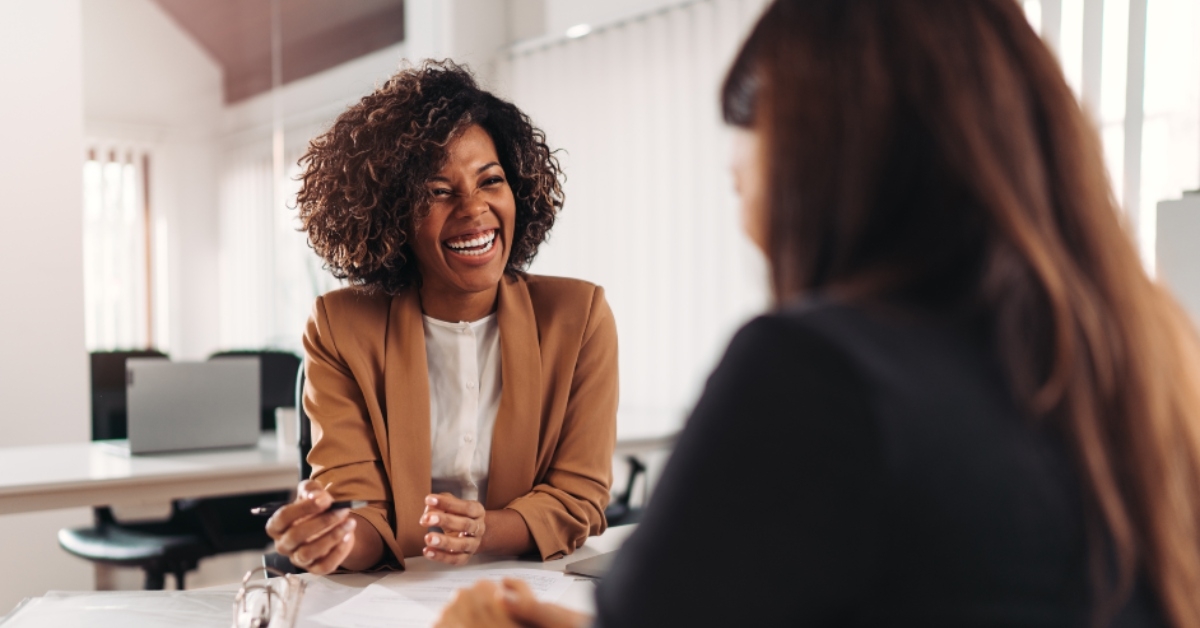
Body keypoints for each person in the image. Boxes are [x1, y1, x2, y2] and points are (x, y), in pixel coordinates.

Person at [435, 0, 1200, 626]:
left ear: (818, 166)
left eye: (743, 178)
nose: (745, 219)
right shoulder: (1148, 359)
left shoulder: (818, 373)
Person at [265, 61, 618, 574]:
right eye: (437, 191)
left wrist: (483, 532)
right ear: (391, 214)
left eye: (490, 180)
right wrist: (332, 537)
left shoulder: (578, 317)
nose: (474, 209)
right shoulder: (341, 326)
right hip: (395, 597)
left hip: (526, 586)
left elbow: (578, 497)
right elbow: (360, 511)